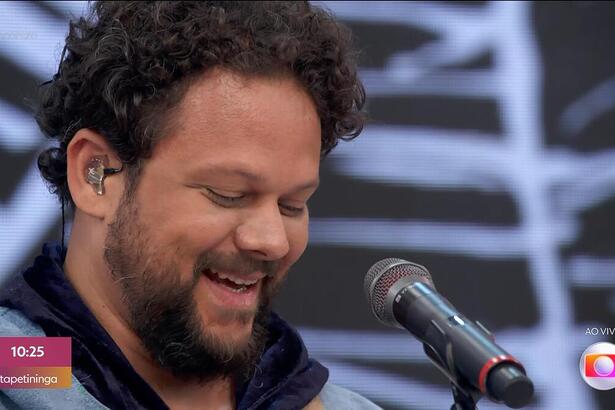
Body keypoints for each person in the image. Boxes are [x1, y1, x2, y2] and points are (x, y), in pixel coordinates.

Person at [0, 1, 378, 409]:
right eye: (228, 194)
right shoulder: (20, 369)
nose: (273, 242)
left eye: (292, 204)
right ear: (97, 175)